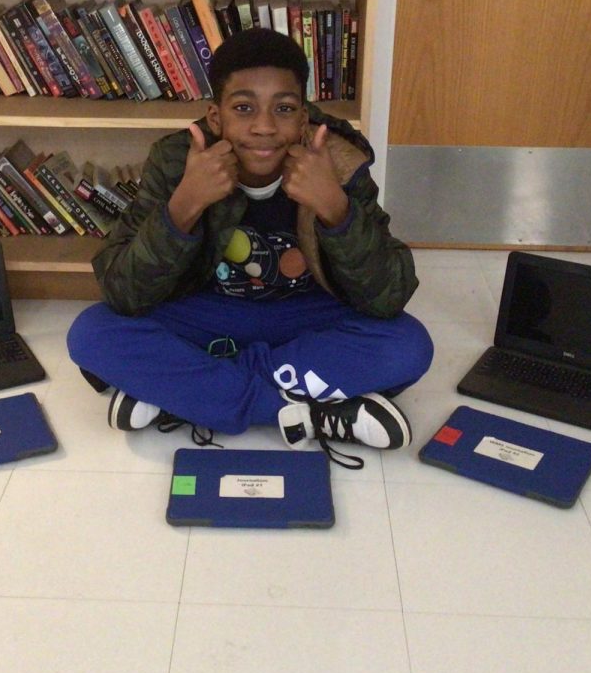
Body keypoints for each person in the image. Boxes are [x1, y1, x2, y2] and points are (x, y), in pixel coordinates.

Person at [66, 27, 433, 467]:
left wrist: (336, 208)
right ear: (215, 117)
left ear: (303, 119)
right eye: (243, 108)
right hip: (209, 314)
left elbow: (388, 295)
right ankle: (314, 411)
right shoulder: (178, 158)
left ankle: (188, 397)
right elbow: (123, 290)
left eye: (284, 108)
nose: (263, 127)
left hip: (304, 317)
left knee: (408, 345)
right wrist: (184, 205)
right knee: (93, 333)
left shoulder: (337, 160)